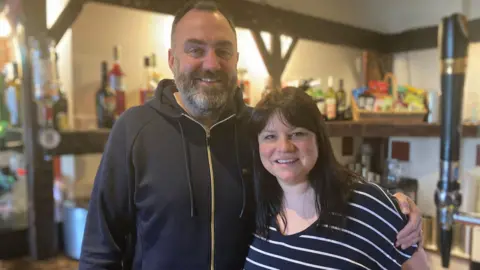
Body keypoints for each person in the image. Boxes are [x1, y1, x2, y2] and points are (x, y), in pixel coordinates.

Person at [79, 1, 423, 269]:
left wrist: (395, 204)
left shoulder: (258, 131)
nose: (211, 63)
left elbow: (309, 169)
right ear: (172, 59)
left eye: (223, 51)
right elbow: (100, 248)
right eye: (195, 49)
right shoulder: (134, 129)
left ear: (236, 59)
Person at [244, 87, 429, 270]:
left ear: (319, 139)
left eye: (297, 134)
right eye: (270, 136)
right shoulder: (258, 209)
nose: (284, 147)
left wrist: (397, 212)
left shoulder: (368, 206)